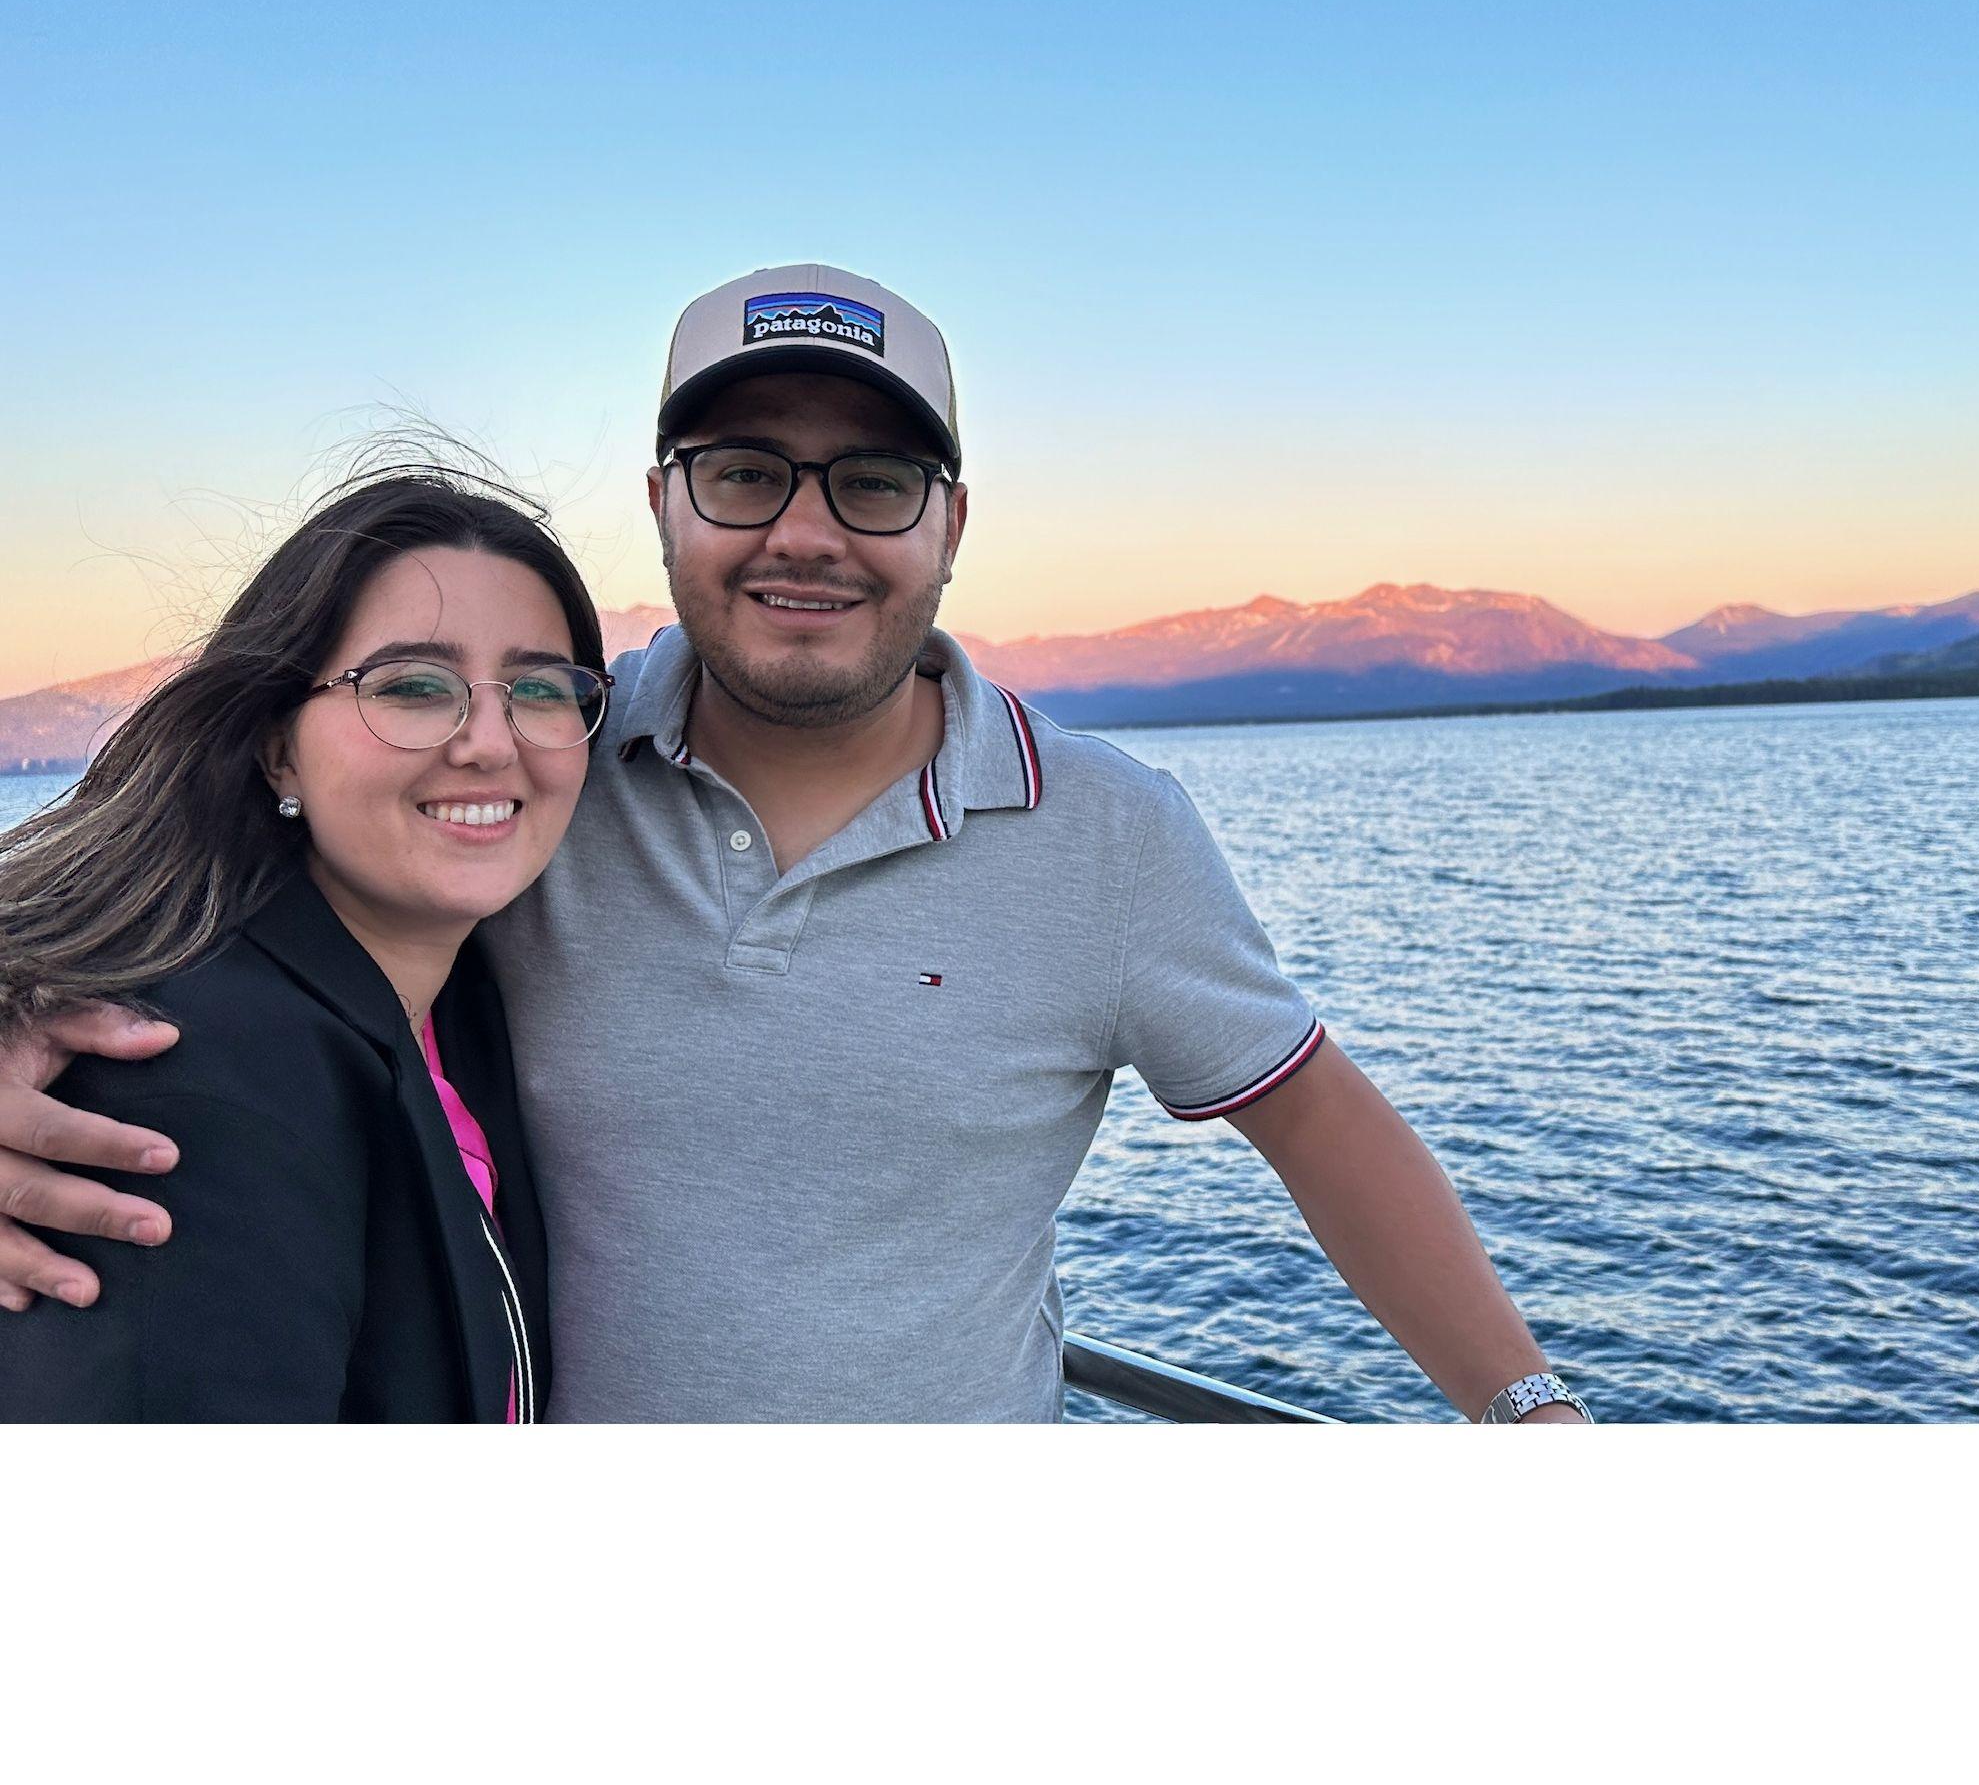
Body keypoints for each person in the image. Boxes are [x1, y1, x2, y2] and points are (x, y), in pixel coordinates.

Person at [0, 265, 1593, 1424]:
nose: (807, 532)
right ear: (666, 506)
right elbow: (180, 857)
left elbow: (1311, 1112)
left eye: (875, 480)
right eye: (745, 473)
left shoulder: (1106, 833)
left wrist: (1528, 1415)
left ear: (949, 523)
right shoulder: (544, 766)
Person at [0, 471, 612, 1421]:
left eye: (540, 688)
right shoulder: (193, 1087)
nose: (491, 743)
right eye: (413, 687)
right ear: (279, 749)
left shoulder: (464, 1009)